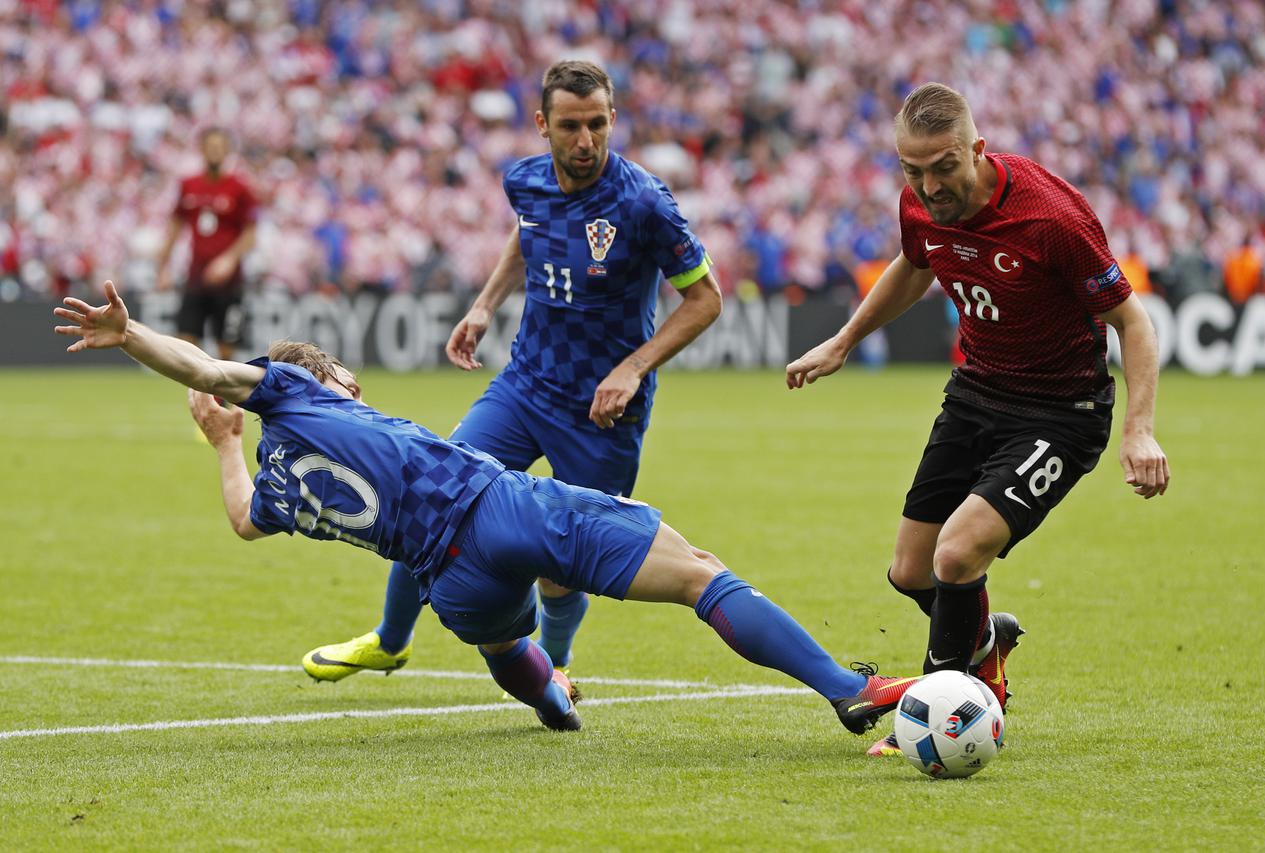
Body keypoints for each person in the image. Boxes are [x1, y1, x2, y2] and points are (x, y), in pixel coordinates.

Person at [54, 282, 915, 735]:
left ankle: (550, 700)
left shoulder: (276, 477)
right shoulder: (302, 391)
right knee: (698, 574)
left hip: (449, 585)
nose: (354, 384)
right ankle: (846, 688)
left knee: (507, 640)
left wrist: (223, 446)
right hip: (498, 507)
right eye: (343, 376)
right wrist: (131, 337)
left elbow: (244, 519)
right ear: (323, 380)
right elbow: (207, 369)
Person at [302, 60, 723, 683]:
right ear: (541, 125)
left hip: (601, 410)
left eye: (598, 125)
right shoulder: (525, 181)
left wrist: (632, 369)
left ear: (613, 120)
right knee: (431, 489)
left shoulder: (642, 202)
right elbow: (528, 237)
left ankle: (552, 666)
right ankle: (391, 640)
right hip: (526, 385)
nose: (586, 141)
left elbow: (706, 299)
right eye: (571, 126)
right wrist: (484, 304)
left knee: (562, 560)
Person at [785, 83, 1170, 756]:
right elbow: (914, 263)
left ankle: (937, 713)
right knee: (911, 570)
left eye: (943, 167)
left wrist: (1138, 428)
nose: (929, 185)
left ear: (978, 150)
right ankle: (985, 644)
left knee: (957, 552)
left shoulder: (1051, 218)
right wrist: (844, 340)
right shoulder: (919, 203)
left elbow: (1132, 322)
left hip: (1061, 411)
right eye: (913, 170)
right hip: (976, 392)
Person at [155, 127, 258, 360]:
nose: (215, 152)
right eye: (211, 147)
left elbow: (250, 234)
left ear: (227, 152)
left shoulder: (239, 188)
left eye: (220, 148)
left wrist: (229, 260)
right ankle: (198, 396)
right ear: (202, 150)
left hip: (229, 282)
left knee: (226, 347)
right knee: (187, 342)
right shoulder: (189, 185)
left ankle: (219, 398)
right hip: (196, 276)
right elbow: (174, 226)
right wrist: (162, 268)